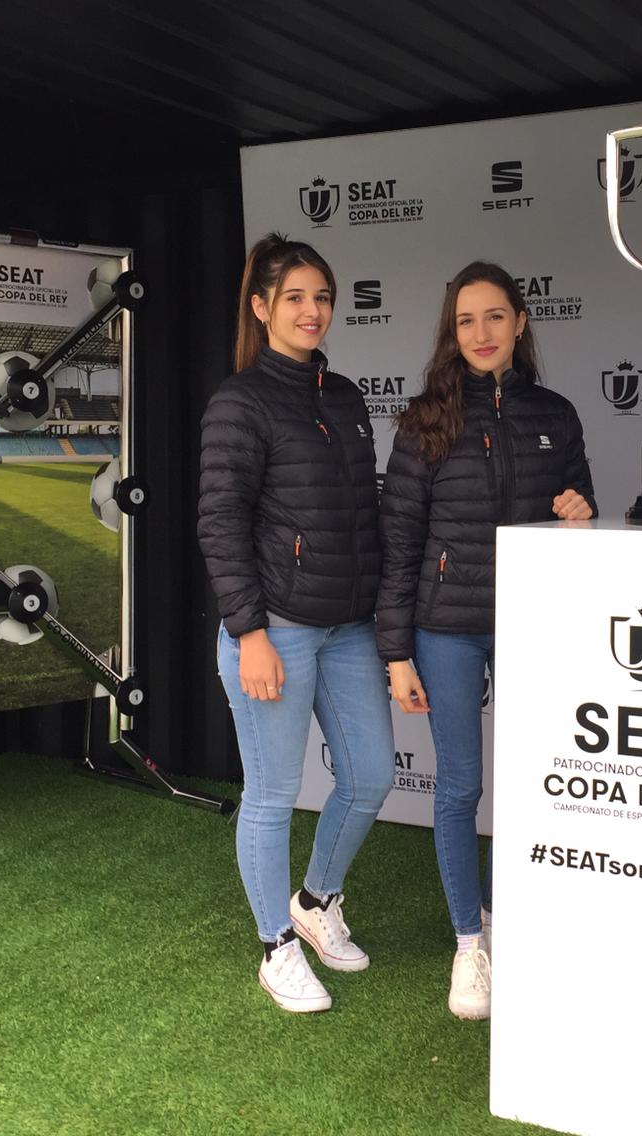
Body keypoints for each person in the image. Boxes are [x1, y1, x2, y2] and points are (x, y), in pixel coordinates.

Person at [377, 261, 596, 1020]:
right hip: (447, 629)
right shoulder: (424, 420)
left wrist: (578, 510)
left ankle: (505, 926)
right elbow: (399, 540)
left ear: (520, 324)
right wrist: (396, 652)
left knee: (533, 787)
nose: (481, 333)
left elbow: (580, 502)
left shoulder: (557, 413)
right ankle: (470, 947)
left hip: (534, 625)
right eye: (466, 320)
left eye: (495, 317)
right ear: (452, 331)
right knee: (461, 789)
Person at [198, 233, 394, 1014]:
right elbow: (220, 521)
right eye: (295, 298)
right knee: (274, 793)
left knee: (371, 776)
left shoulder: (342, 397)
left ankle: (315, 903)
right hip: (273, 627)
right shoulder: (240, 401)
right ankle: (276, 947)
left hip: (347, 626)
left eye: (322, 297)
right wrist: (248, 632)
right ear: (261, 307)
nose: (313, 312)